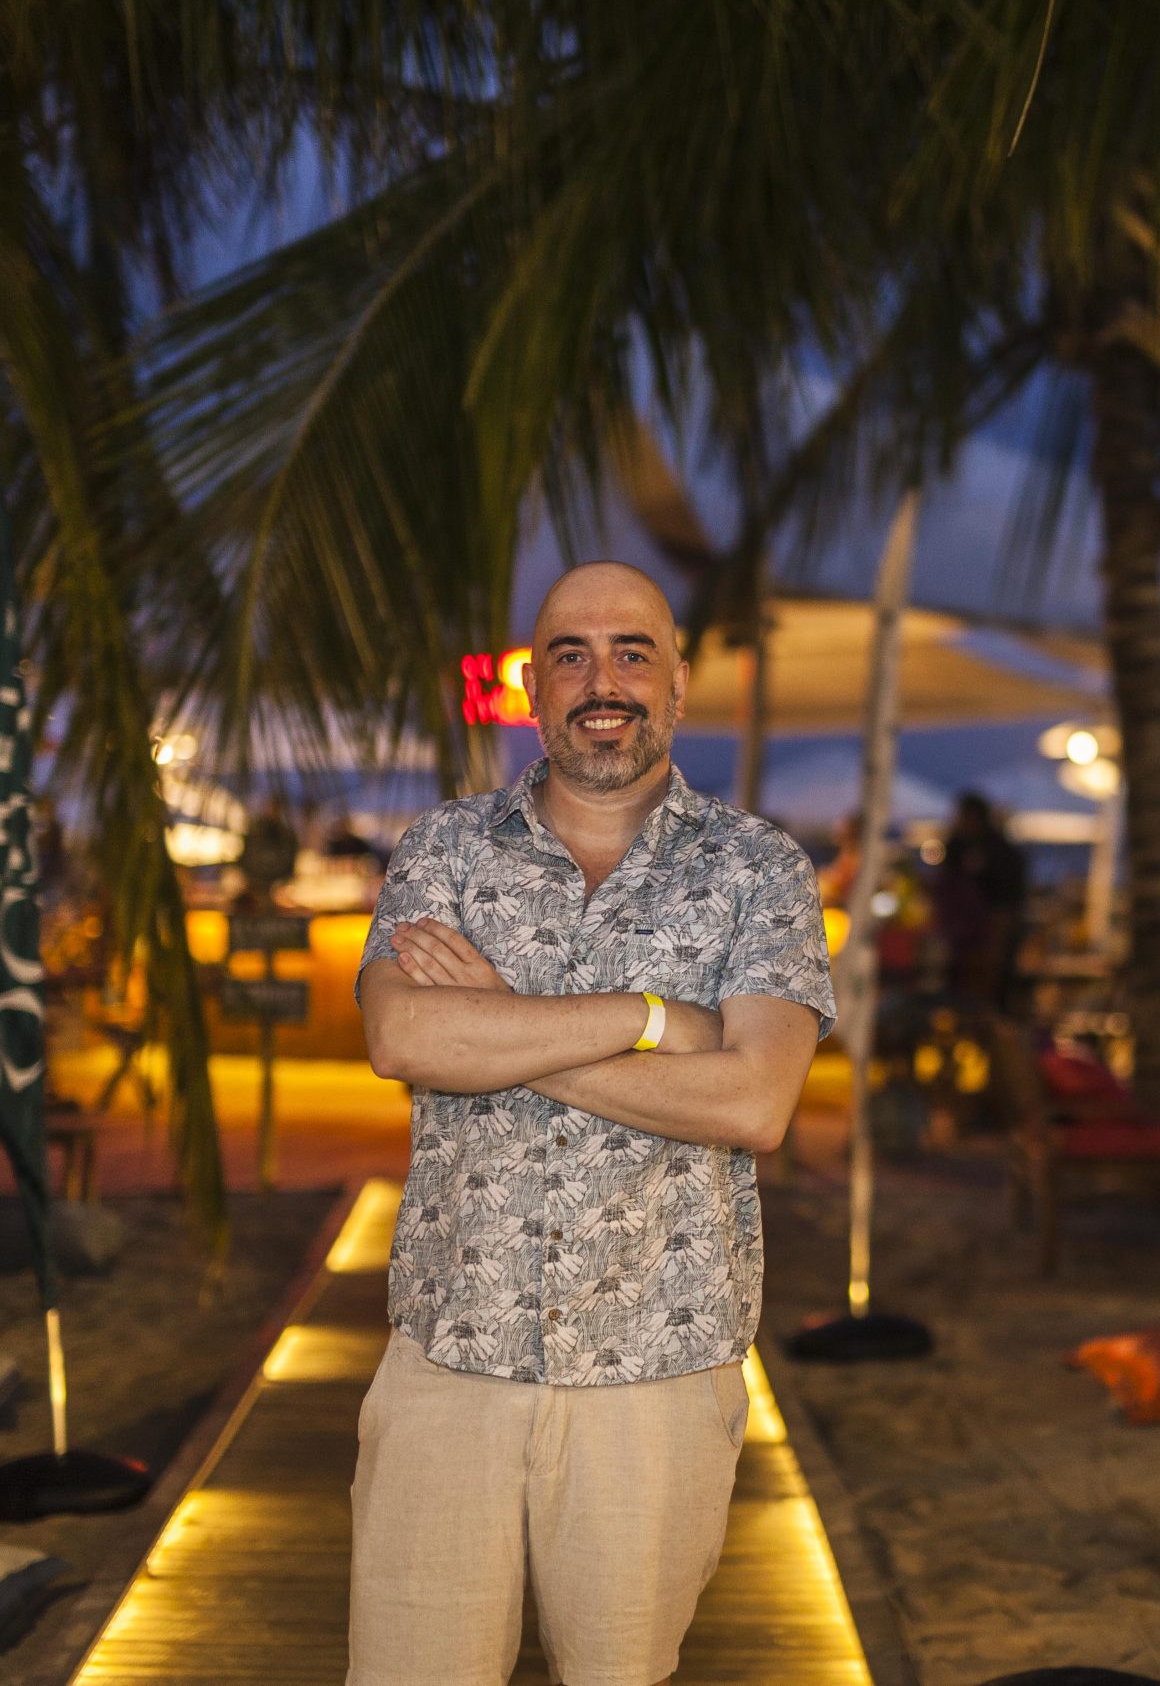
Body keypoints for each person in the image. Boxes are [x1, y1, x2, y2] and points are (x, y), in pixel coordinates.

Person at [350, 561, 834, 1686]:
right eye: (570, 653)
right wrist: (651, 1019)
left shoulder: (759, 869)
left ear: (677, 685)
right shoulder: (446, 849)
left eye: (632, 652)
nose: (601, 679)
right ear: (534, 689)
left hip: (657, 1371)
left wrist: (502, 1026)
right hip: (450, 1359)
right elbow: (403, 1037)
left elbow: (755, 1101)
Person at [935, 791, 1026, 1012]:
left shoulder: (998, 854)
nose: (957, 822)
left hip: (984, 941)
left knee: (984, 1003)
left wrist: (995, 948)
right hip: (963, 943)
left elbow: (1005, 907)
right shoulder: (959, 849)